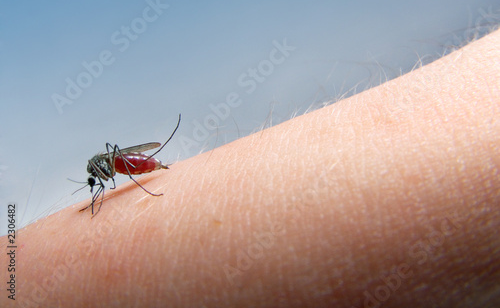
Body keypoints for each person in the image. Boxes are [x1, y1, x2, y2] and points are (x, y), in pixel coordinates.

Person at [2, 28, 499, 308]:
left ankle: (154, 167)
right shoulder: (97, 174)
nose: (95, 187)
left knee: (120, 159)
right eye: (97, 185)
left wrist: (134, 178)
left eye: (96, 184)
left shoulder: (106, 169)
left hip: (130, 161)